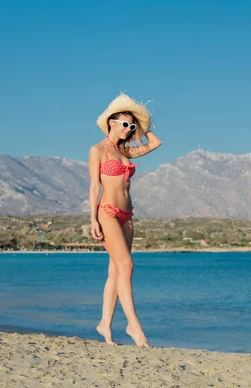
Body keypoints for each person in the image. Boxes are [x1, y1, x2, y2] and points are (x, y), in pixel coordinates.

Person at [88, 93, 161, 347]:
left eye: (131, 126)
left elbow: (155, 143)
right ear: (111, 122)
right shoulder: (97, 150)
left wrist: (142, 126)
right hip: (107, 211)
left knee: (115, 271)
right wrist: (92, 220)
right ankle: (133, 325)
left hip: (127, 216)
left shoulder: (126, 151)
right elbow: (94, 188)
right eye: (124, 124)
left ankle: (105, 325)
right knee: (126, 266)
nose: (128, 129)